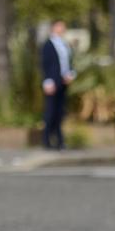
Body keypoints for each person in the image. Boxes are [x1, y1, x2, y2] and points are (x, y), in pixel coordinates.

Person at [40, 20, 76, 150]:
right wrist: (48, 82)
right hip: (52, 83)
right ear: (54, 27)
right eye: (60, 26)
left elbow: (69, 63)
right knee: (50, 112)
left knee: (60, 113)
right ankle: (46, 140)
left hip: (63, 82)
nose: (63, 28)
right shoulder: (48, 45)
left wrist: (70, 74)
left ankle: (59, 141)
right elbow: (45, 64)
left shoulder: (65, 44)